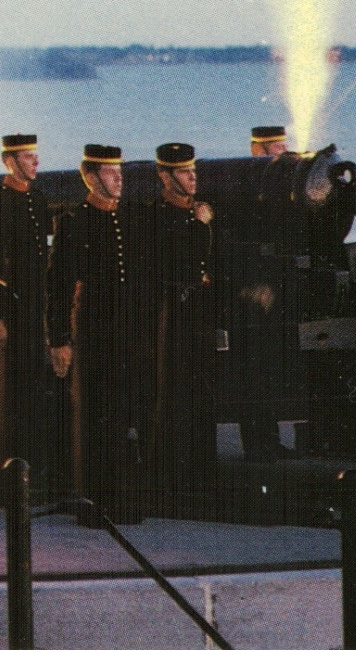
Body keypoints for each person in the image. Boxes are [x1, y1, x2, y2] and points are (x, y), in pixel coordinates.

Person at [48, 145, 151, 525]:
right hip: (94, 330)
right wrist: (59, 338)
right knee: (96, 416)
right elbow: (58, 283)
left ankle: (122, 497)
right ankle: (94, 502)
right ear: (91, 178)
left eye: (119, 171)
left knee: (126, 412)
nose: (118, 178)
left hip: (129, 329)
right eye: (110, 172)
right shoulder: (75, 222)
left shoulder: (128, 219)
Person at [0, 134, 60, 490]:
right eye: (29, 156)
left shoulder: (36, 199)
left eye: (36, 156)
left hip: (39, 305)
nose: (36, 162)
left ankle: (35, 467)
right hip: (15, 309)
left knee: (37, 389)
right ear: (10, 162)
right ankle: (11, 469)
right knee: (16, 391)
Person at [142, 142, 220, 513]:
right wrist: (197, 224)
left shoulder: (196, 213)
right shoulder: (158, 216)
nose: (193, 178)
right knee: (170, 393)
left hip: (197, 314)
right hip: (170, 313)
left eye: (193, 172)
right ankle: (168, 478)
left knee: (202, 393)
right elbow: (173, 260)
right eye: (185, 173)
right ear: (165, 176)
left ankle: (201, 474)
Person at [233, 124, 290, 462]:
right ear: (258, 151)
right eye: (275, 149)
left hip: (270, 293)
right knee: (252, 375)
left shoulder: (272, 189)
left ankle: (269, 440)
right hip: (248, 299)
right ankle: (257, 445)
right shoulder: (245, 187)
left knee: (267, 373)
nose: (282, 155)